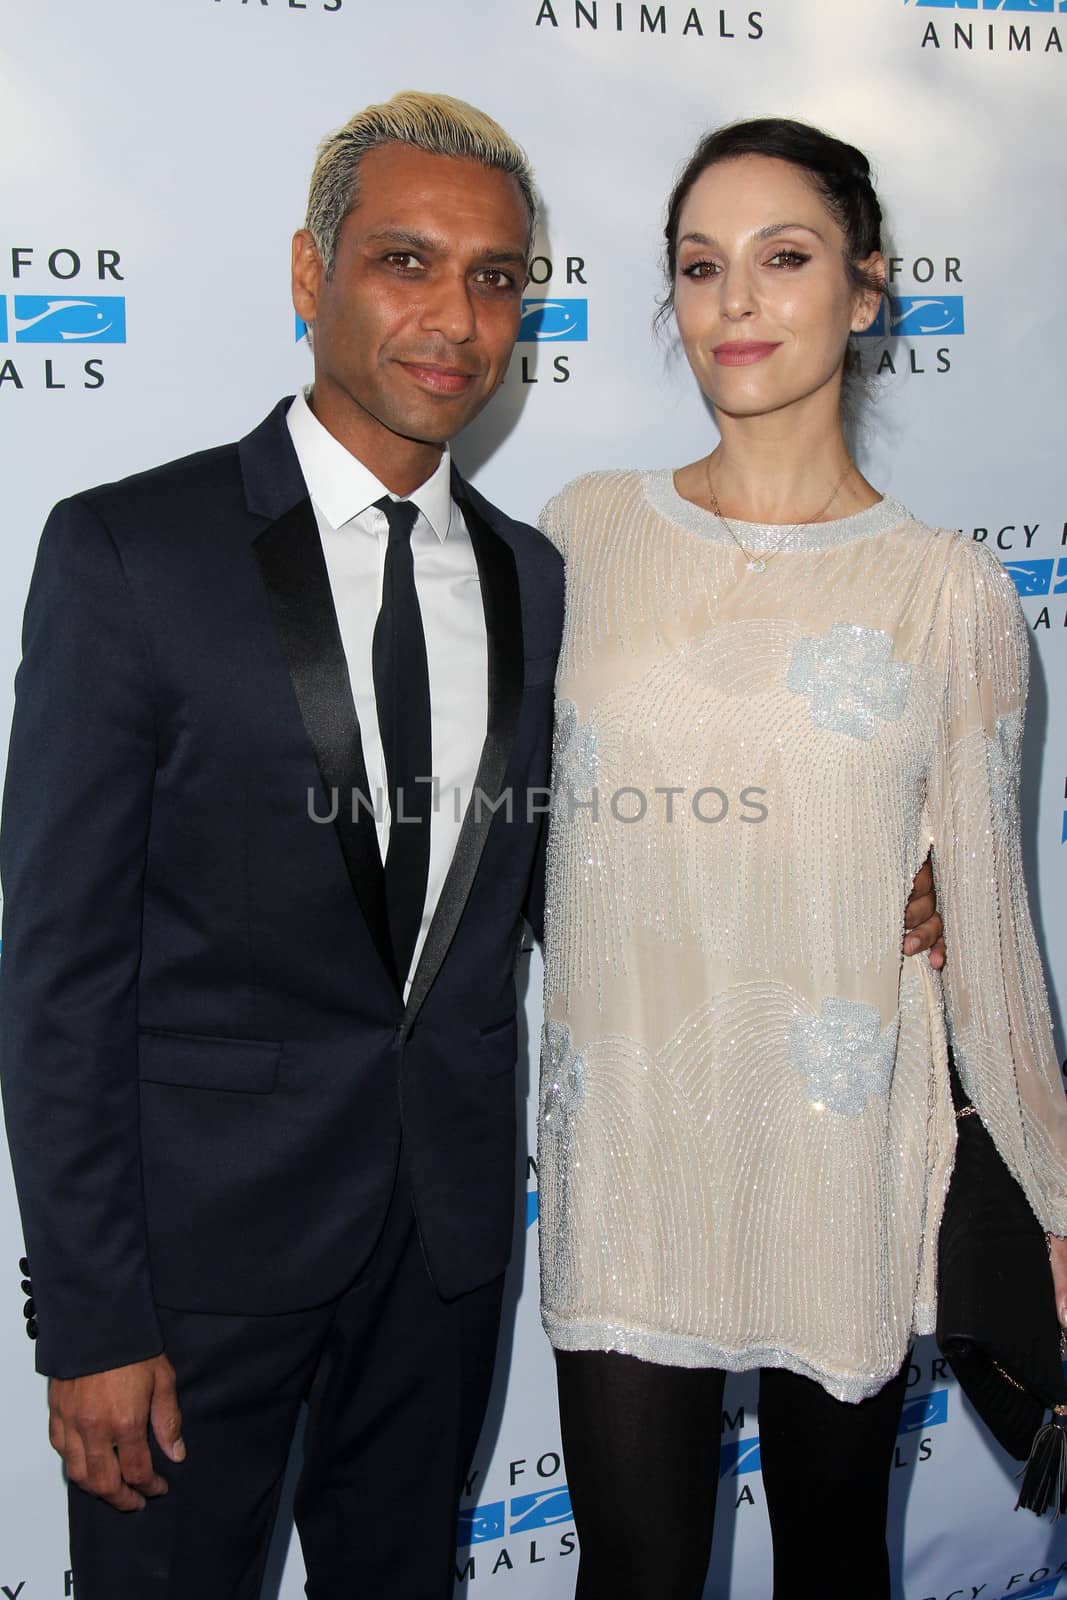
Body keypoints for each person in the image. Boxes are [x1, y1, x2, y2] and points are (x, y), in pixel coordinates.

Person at [0, 91, 566, 1599]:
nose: (455, 317)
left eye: (497, 278)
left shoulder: (534, 577)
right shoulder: (128, 551)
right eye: (405, 261)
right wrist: (92, 1321)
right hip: (187, 1286)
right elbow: (55, 971)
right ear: (310, 278)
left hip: (442, 1262)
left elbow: (547, 888)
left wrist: (861, 889)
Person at [536, 117, 1067, 1600]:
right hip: (632, 1157)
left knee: (835, 1566)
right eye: (701, 268)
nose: (738, 302)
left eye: (786, 258)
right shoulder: (581, 536)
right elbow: (495, 831)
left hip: (837, 1158)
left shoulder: (949, 593)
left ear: (869, 290)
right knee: (631, 1576)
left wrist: (1060, 1196)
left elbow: (997, 936)